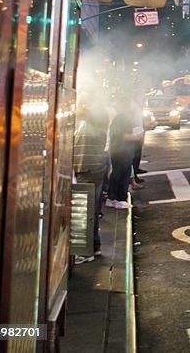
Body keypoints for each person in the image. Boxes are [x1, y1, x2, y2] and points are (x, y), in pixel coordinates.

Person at [73, 95, 110, 262]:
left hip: (88, 169)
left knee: (85, 210)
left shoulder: (92, 120)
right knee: (92, 209)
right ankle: (93, 246)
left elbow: (80, 114)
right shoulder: (93, 120)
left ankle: (85, 251)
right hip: (93, 168)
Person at [106, 92, 141, 210]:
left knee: (118, 174)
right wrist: (136, 137)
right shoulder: (122, 118)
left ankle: (112, 198)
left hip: (121, 151)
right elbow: (121, 135)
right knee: (121, 175)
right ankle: (119, 199)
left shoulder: (122, 117)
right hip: (122, 151)